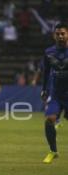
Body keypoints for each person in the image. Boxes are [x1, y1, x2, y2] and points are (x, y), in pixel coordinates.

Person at [41, 22, 68, 164]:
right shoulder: (48, 52)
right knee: (49, 119)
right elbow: (45, 72)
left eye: (63, 33)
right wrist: (44, 90)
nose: (60, 36)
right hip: (55, 93)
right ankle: (53, 151)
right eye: (58, 34)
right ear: (54, 35)